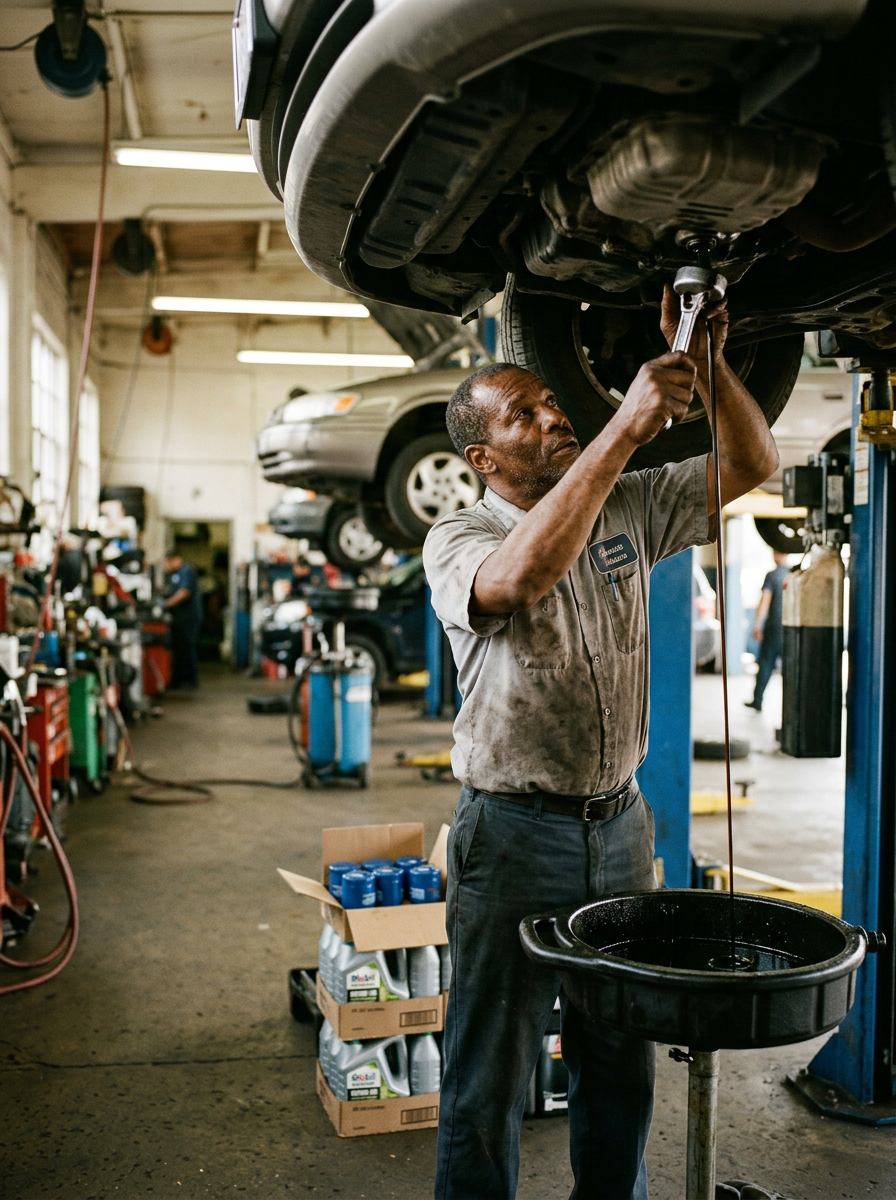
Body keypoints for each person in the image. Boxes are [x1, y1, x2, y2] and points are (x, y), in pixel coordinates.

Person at [422, 285, 779, 1200]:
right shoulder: (459, 535)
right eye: (524, 415)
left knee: (618, 1059)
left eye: (550, 402)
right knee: (489, 1073)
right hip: (510, 835)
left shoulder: (627, 504)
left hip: (620, 829)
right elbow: (516, 583)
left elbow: (752, 462)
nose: (552, 416)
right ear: (482, 456)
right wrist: (622, 425)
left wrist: (709, 365)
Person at [746, 550, 790, 712]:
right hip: (789, 628)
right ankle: (790, 704)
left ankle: (757, 700)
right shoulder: (794, 574)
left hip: (773, 627)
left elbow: (765, 601)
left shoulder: (772, 576)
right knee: (790, 667)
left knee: (765, 664)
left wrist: (756, 625)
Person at [163, 553, 202, 689]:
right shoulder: (176, 573)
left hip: (188, 618)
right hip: (180, 618)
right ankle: (180, 679)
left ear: (174, 559)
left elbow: (184, 592)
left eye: (166, 563)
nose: (165, 567)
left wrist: (166, 604)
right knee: (180, 649)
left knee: (187, 647)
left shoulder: (186, 571)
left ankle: (190, 680)